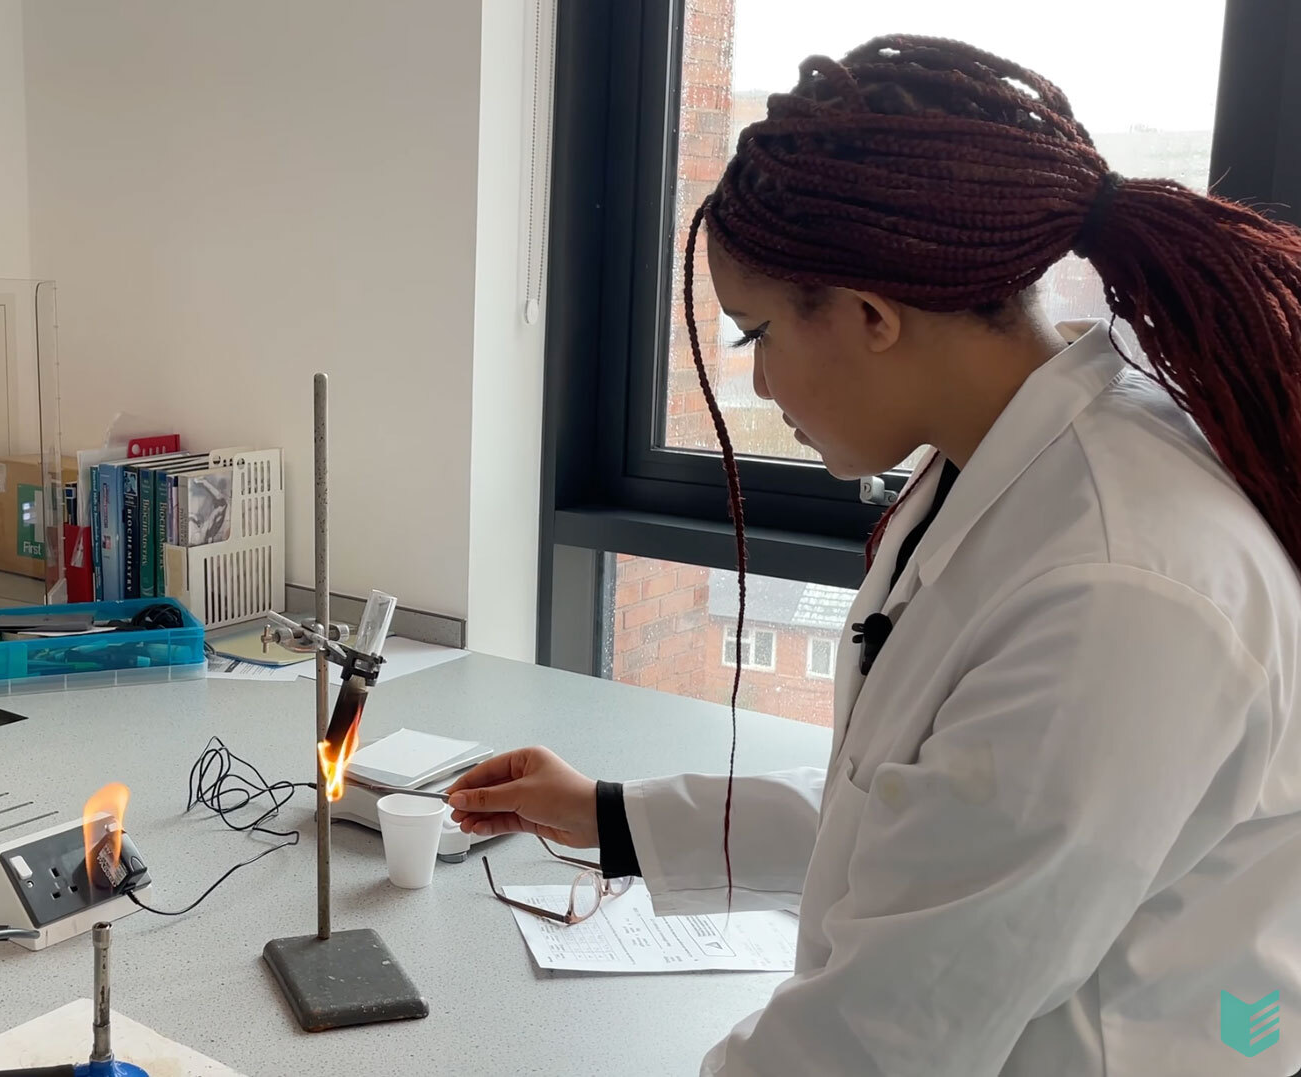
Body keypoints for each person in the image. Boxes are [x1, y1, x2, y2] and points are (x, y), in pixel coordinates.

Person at [448, 36, 1301, 1076]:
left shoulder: (1118, 587)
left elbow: (891, 1033)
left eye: (755, 332)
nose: (758, 387)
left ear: (869, 317)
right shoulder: (997, 467)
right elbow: (905, 804)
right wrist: (609, 816)